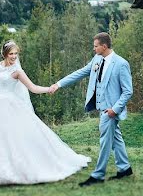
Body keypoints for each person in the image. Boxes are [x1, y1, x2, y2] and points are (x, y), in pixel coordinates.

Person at [0, 40, 90, 188]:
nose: (14, 56)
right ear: (4, 54)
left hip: (10, 107)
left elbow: (33, 88)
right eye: (11, 54)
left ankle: (16, 169)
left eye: (16, 54)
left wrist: (50, 88)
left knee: (13, 138)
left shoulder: (17, 71)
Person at [49, 32, 133, 186]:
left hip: (110, 111)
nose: (93, 49)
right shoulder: (97, 59)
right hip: (102, 108)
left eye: (95, 46)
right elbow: (80, 73)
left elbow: (128, 91)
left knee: (105, 142)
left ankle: (98, 175)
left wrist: (115, 109)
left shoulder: (121, 64)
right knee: (116, 138)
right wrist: (58, 84)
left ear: (104, 46)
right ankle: (125, 168)